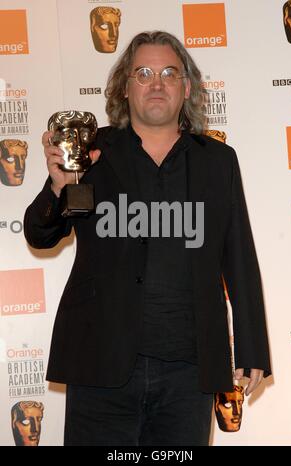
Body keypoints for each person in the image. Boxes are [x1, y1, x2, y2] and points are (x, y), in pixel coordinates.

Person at [24, 31, 271, 446]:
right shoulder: (91, 151)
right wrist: (58, 188)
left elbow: (239, 256)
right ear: (125, 86)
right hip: (100, 362)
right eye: (143, 73)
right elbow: (40, 233)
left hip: (189, 373)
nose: (156, 83)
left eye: (169, 73)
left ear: (186, 86)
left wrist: (252, 347)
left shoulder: (218, 160)